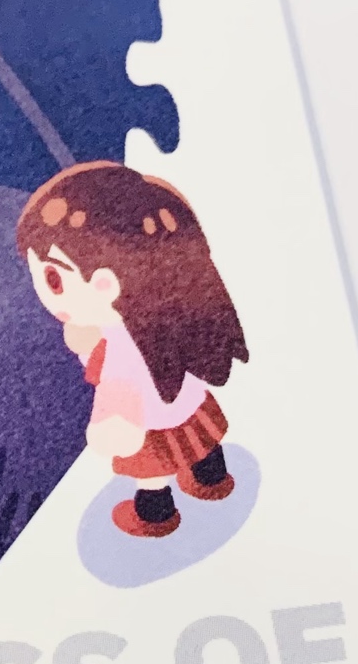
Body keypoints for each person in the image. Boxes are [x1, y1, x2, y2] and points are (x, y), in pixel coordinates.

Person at [16, 161, 248, 538]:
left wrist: (106, 429)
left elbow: (117, 406)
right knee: (200, 440)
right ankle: (212, 479)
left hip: (150, 422)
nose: (43, 292)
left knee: (152, 472)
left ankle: (155, 515)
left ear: (105, 284)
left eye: (53, 277)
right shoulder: (178, 317)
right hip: (190, 403)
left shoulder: (121, 351)